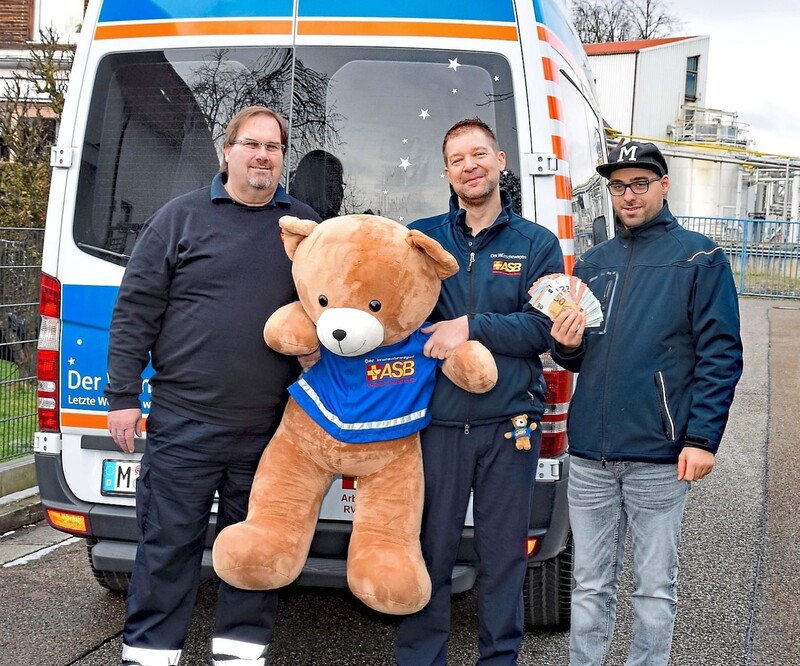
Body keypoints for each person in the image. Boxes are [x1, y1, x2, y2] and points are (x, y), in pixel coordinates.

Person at [104, 105, 321, 666]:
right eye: (251, 144)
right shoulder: (179, 219)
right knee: (167, 549)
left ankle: (239, 656)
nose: (262, 156)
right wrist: (123, 397)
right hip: (184, 425)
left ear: (282, 159)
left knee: (255, 554)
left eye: (273, 148)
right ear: (227, 152)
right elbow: (135, 312)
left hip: (272, 431)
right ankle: (148, 654)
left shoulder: (303, 230)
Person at [549, 140, 744, 665]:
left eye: (639, 183)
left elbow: (721, 354)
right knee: (589, 586)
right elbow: (578, 357)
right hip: (590, 452)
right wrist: (565, 344)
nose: (628, 196)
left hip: (659, 456)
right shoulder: (593, 263)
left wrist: (702, 439)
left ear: (663, 185)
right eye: (618, 186)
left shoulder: (700, 257)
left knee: (654, 590)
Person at [394, 117, 565, 665]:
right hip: (435, 425)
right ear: (447, 173)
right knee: (429, 554)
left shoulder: (537, 244)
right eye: (458, 159)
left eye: (479, 154)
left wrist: (469, 326)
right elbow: (396, 312)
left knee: (503, 558)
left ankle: (499, 659)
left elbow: (541, 326)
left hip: (509, 424)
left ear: (500, 161)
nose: (470, 166)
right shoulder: (422, 239)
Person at [288, 149, 345, 219]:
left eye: (340, 184)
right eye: (333, 182)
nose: (339, 192)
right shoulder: (287, 223)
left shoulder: (345, 226)